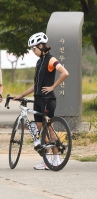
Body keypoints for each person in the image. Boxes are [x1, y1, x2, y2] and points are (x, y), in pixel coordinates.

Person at [13, 32, 69, 170]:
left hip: (47, 99)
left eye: (34, 48)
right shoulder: (39, 62)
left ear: (41, 46)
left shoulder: (51, 59)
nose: (33, 51)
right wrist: (21, 95)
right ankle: (46, 160)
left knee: (49, 129)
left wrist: (53, 87)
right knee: (41, 131)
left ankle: (55, 160)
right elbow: (36, 85)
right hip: (37, 100)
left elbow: (65, 73)